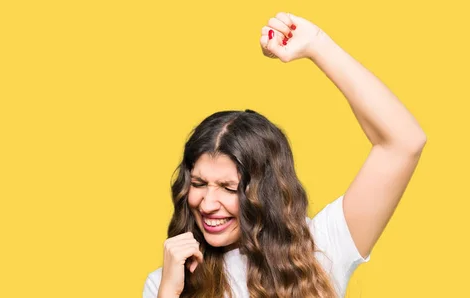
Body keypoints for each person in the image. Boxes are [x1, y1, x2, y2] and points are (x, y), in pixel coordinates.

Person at [143, 12, 426, 298]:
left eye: (229, 188)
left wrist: (317, 44)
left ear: (266, 192)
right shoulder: (168, 282)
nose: (207, 204)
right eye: (199, 183)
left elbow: (404, 142)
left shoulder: (322, 250)